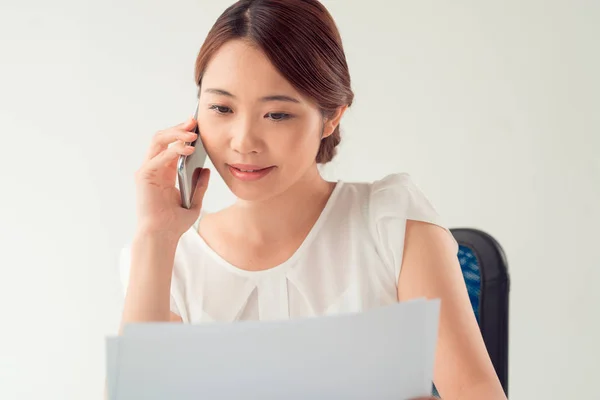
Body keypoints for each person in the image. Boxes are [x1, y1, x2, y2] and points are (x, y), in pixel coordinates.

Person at [118, 1, 507, 399]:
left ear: (331, 116)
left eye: (278, 115)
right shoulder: (171, 259)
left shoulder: (390, 223)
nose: (244, 142)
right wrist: (156, 236)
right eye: (221, 108)